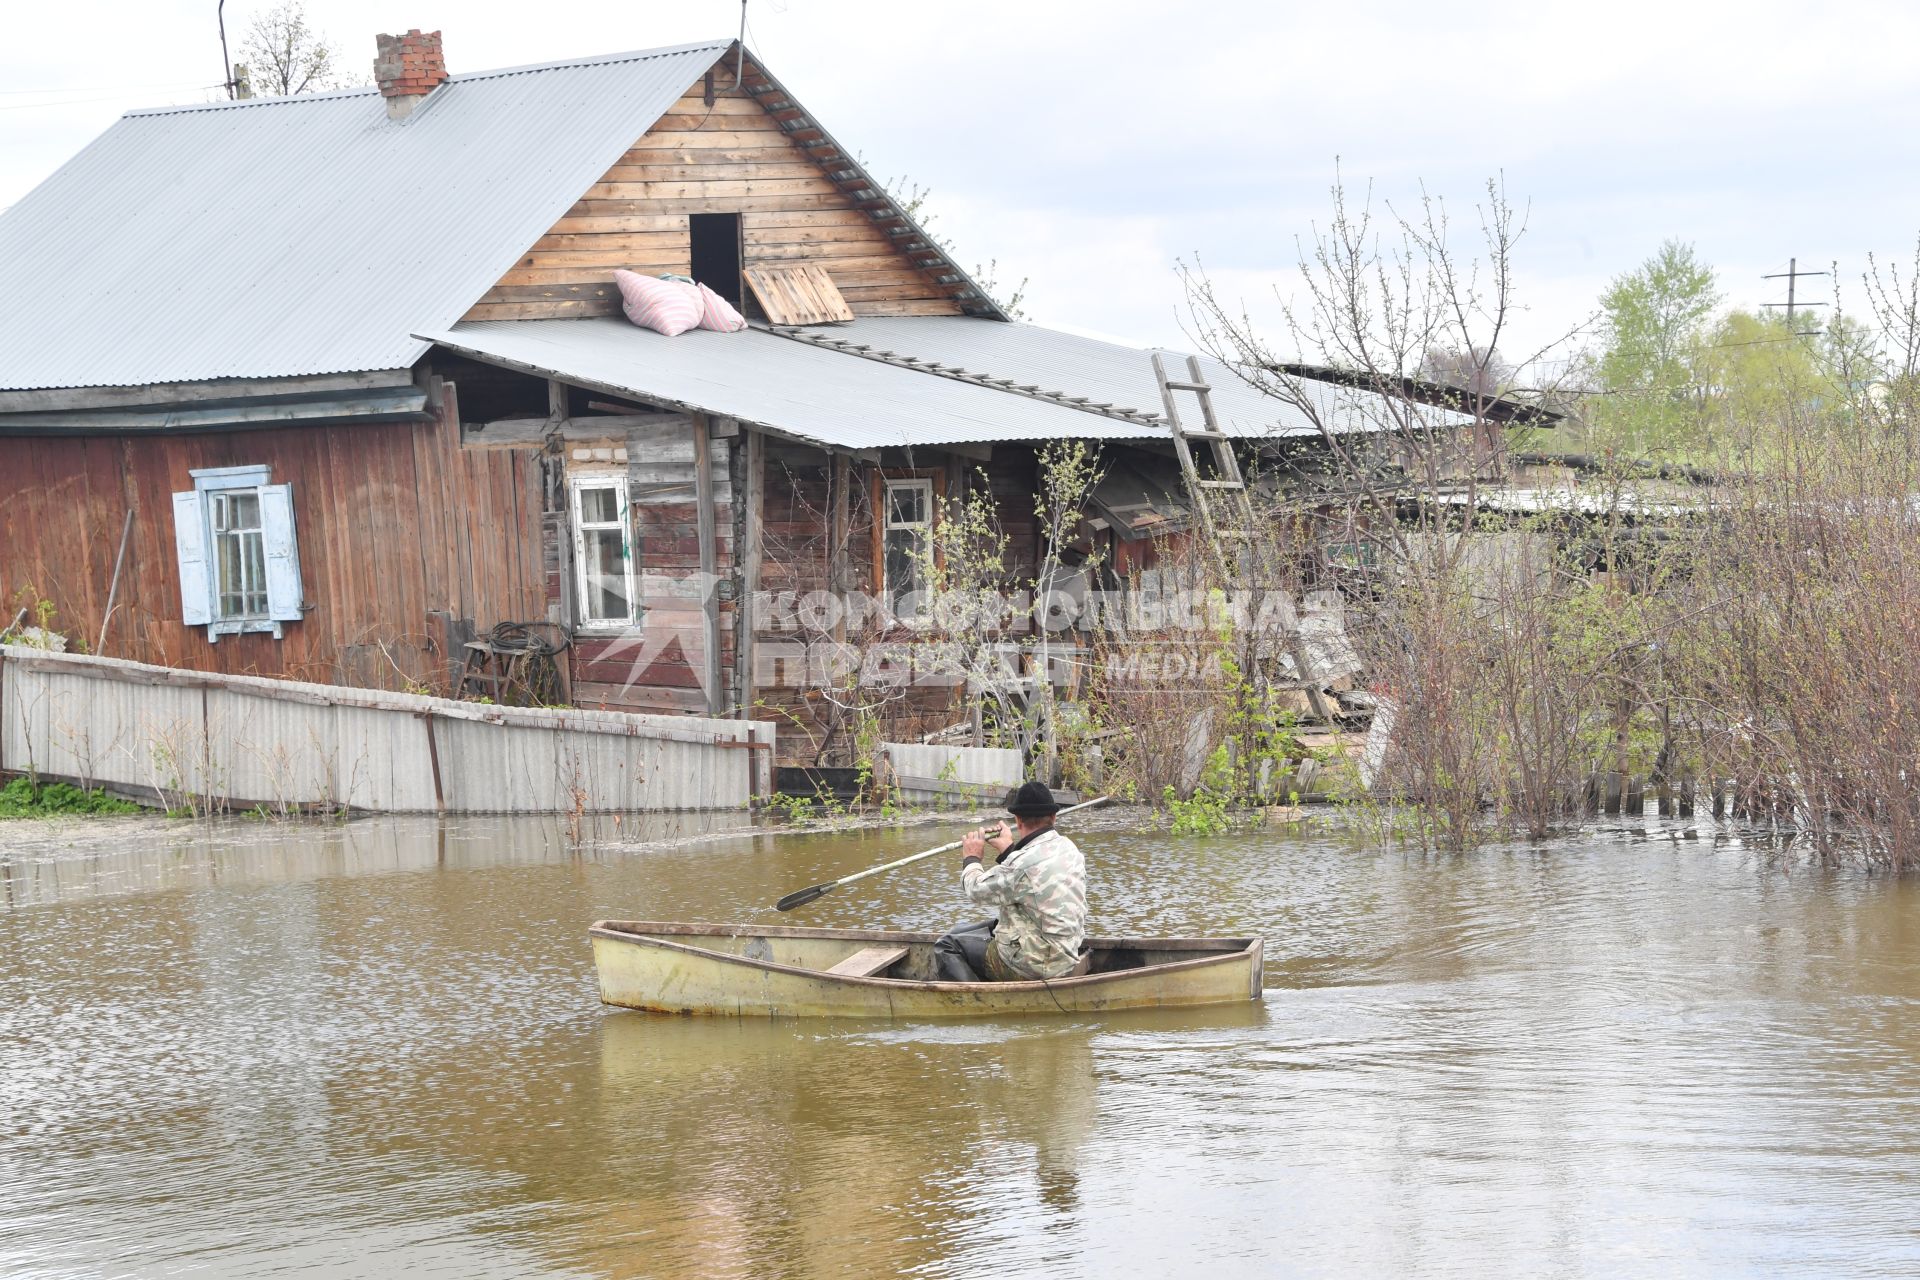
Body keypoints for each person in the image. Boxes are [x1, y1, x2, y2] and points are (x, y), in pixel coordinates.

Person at [933, 781, 1088, 982]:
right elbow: (1030, 877)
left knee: (946, 945)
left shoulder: (1020, 863)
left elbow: (975, 890)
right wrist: (1008, 850)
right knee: (968, 929)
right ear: (1053, 817)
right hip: (1066, 954)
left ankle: (975, 1001)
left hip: (1035, 965)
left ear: (1017, 820)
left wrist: (971, 858)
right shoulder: (1069, 849)